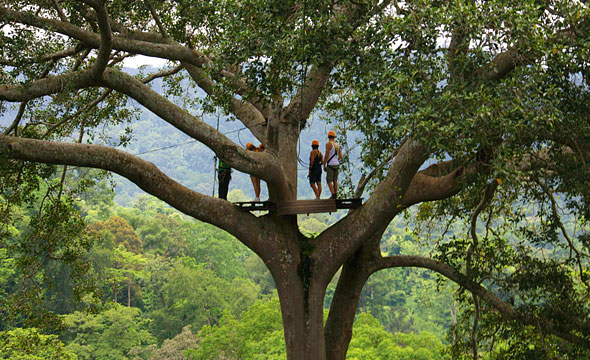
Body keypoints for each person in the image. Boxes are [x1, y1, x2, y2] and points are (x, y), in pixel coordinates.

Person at [323, 131, 342, 199]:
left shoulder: (328, 144)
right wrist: (336, 160)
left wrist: (324, 164)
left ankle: (333, 194)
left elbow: (326, 155)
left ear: (328, 137)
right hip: (336, 164)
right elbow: (340, 156)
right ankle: (335, 194)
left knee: (329, 180)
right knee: (335, 180)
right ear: (334, 137)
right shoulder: (337, 144)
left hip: (330, 164)